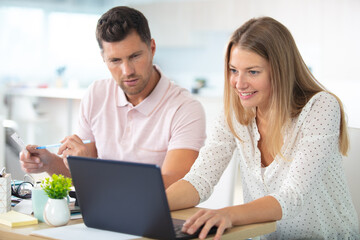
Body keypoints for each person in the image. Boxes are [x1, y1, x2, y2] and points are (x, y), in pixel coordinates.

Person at [166, 17, 360, 239]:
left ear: (280, 71)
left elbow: (292, 196)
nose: (239, 83)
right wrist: (153, 206)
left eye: (253, 72)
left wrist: (228, 214)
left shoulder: (321, 107)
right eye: (233, 70)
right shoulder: (235, 112)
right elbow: (200, 179)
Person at [19, 6, 206, 189]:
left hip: (158, 217)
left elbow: (174, 186)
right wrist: (49, 163)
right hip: (104, 213)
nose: (127, 71)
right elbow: (83, 180)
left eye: (135, 56)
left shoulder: (185, 108)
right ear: (103, 58)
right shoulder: (96, 94)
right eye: (115, 60)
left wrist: (92, 170)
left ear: (152, 47)